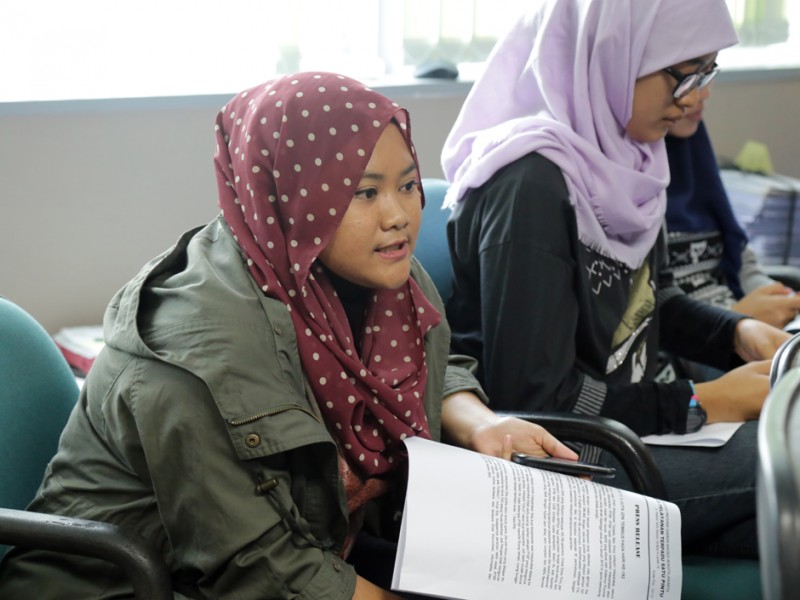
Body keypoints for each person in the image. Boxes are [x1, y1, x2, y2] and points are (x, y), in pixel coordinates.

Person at [0, 72, 576, 599]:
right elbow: (259, 568)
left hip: (302, 558)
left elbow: (418, 361)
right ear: (294, 196)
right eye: (365, 193)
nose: (399, 215)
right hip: (125, 587)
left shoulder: (381, 276)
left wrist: (480, 422)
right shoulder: (194, 354)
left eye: (406, 185)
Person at [440, 0, 790, 558]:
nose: (695, 98)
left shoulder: (629, 159)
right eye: (683, 74)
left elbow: (649, 298)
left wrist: (735, 333)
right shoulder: (529, 185)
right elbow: (537, 398)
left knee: (778, 523)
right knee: (789, 460)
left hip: (627, 427)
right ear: (611, 53)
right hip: (560, 455)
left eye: (707, 72)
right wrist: (702, 402)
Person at [665, 96, 800, 330]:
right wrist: (736, 322)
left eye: (707, 77)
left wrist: (782, 301)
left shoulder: (695, 156)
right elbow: (653, 324)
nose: (702, 94)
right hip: (710, 339)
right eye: (687, 79)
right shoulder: (632, 198)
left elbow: (740, 262)